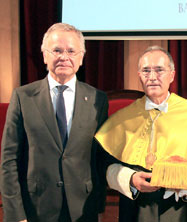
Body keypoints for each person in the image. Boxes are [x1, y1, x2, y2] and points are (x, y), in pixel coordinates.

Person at [95, 45, 187, 222]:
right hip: (136, 204)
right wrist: (130, 179)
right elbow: (104, 163)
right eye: (146, 71)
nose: (152, 77)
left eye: (159, 70)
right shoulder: (123, 117)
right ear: (139, 75)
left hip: (181, 206)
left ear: (172, 75)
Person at [1, 23, 108, 221]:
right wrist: (15, 215)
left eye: (71, 51)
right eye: (57, 50)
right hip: (36, 209)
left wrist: (98, 206)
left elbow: (99, 158)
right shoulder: (23, 97)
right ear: (44, 55)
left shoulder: (97, 99)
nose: (64, 57)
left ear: (81, 57)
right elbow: (9, 161)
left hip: (83, 210)